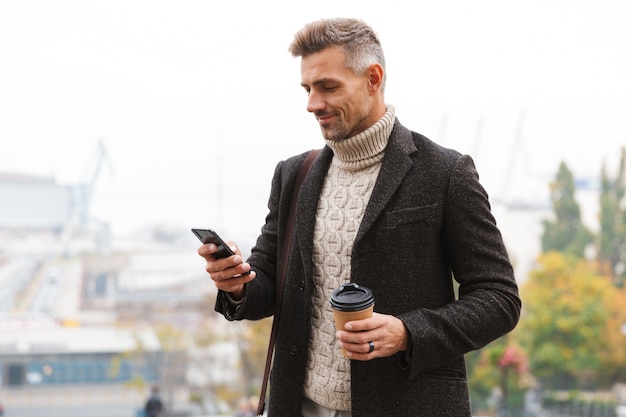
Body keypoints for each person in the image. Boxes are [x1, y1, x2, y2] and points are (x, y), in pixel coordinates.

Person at [198, 17, 521, 417]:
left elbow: (499, 299)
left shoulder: (445, 173)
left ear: (373, 78)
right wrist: (236, 285)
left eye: (328, 87)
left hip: (408, 406)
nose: (313, 104)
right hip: (301, 406)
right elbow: (266, 286)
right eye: (307, 88)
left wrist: (406, 333)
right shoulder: (292, 175)